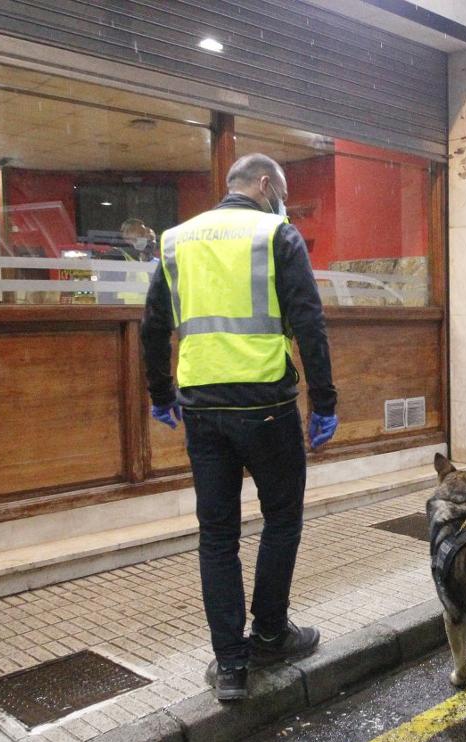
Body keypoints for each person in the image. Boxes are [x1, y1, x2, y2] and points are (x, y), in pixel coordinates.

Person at [140, 153, 338, 702]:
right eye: (282, 194)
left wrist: (161, 394)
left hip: (202, 411)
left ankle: (230, 665)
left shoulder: (176, 240)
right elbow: (309, 323)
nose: (283, 204)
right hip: (267, 405)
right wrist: (324, 402)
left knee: (217, 535)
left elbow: (152, 327)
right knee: (282, 520)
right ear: (265, 184)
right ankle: (271, 635)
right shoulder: (276, 235)